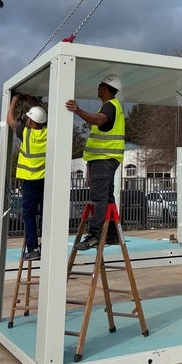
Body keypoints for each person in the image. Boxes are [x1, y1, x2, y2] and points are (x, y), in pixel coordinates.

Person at [65, 74, 125, 250]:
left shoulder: (109, 107)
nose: (97, 89)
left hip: (104, 159)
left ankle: (96, 236)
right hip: (104, 160)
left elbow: (99, 120)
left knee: (99, 198)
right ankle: (112, 235)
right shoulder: (111, 106)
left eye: (99, 86)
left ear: (105, 88)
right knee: (106, 198)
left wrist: (79, 111)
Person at [7, 94, 48, 261]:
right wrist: (33, 102)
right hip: (46, 180)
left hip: (30, 182)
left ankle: (33, 249)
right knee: (46, 214)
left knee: (29, 215)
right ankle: (48, 247)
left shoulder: (25, 133)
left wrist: (15, 100)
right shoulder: (49, 133)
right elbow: (45, 116)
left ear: (30, 121)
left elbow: (10, 120)